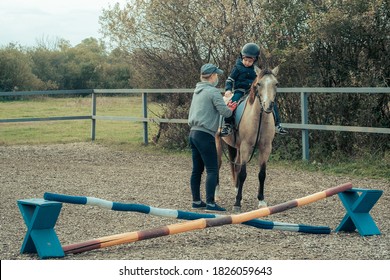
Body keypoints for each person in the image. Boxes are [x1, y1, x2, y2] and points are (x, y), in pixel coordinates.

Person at [188, 63, 237, 212]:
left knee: (197, 170)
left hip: (193, 133)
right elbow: (226, 113)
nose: (217, 77)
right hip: (205, 134)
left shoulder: (198, 91)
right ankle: (210, 203)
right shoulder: (213, 92)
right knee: (212, 169)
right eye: (216, 75)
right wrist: (230, 106)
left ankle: (196, 201)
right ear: (211, 76)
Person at [220, 43, 288, 136]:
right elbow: (230, 80)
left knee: (272, 103)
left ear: (254, 60)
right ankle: (227, 125)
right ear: (242, 57)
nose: (247, 63)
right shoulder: (237, 68)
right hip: (240, 91)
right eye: (245, 60)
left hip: (251, 92)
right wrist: (228, 89)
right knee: (233, 102)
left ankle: (277, 125)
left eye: (250, 61)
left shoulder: (256, 70)